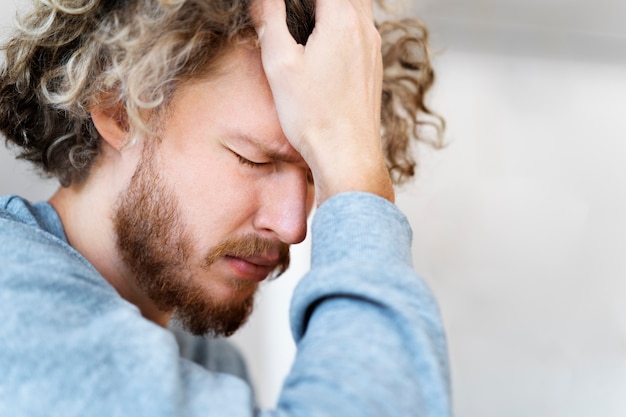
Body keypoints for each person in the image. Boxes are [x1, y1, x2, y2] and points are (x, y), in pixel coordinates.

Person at [0, 0, 452, 415]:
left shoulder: (207, 365)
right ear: (120, 111)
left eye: (315, 174)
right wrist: (357, 182)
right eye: (254, 159)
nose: (294, 226)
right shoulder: (13, 300)